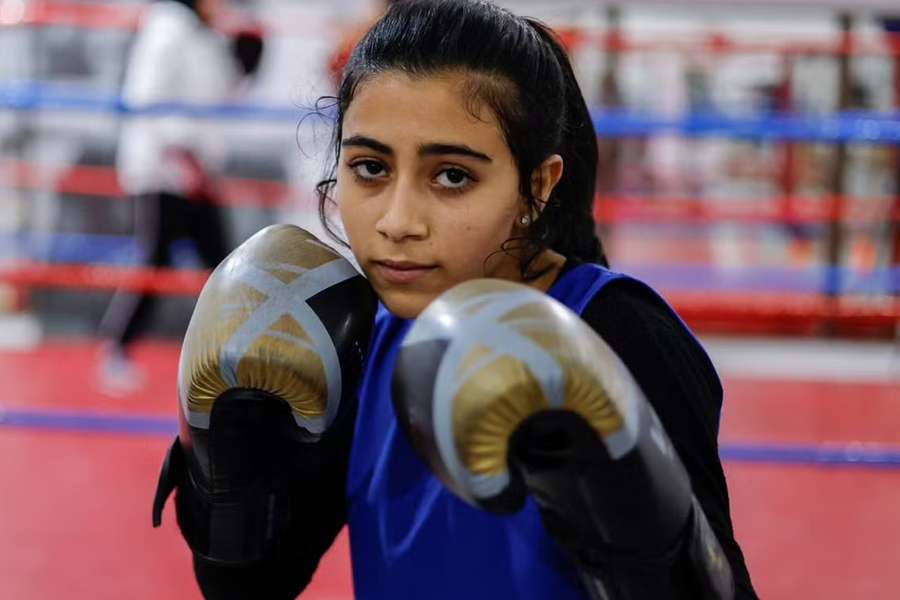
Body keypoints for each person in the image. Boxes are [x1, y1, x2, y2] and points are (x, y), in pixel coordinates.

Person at [153, 1, 757, 598]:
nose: (398, 220)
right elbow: (249, 583)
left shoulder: (615, 329)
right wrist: (228, 457)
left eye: (451, 176)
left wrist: (630, 520)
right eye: (369, 168)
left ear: (538, 185)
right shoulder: (356, 338)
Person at [96, 0, 263, 394]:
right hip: (163, 170)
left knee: (220, 262)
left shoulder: (202, 36)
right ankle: (116, 348)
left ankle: (238, 351)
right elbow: (146, 96)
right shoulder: (167, 27)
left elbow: (221, 93)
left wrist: (247, 59)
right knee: (159, 260)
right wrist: (181, 152)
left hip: (195, 169)